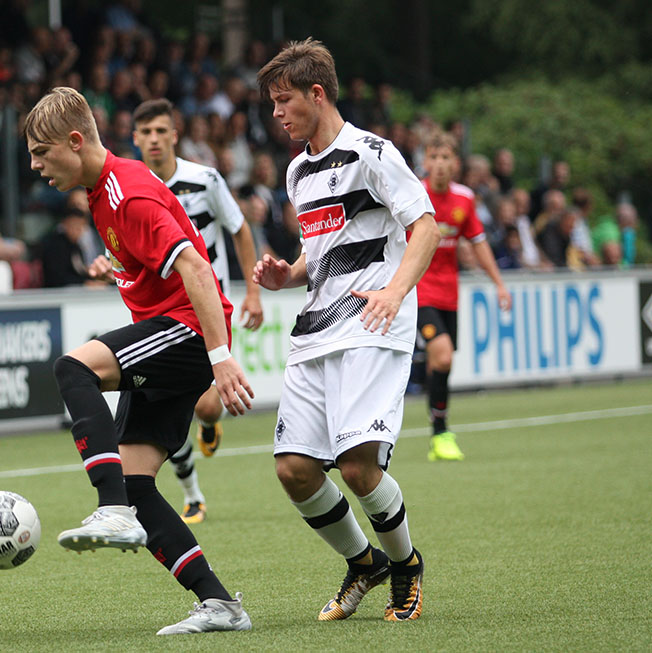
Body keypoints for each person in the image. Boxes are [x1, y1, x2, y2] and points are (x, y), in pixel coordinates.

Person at [24, 86, 253, 636]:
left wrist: (220, 358)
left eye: (41, 152)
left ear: (75, 141)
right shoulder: (101, 192)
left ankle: (112, 510)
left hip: (189, 331)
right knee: (138, 481)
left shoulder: (128, 194)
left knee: (72, 368)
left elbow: (197, 271)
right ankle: (221, 606)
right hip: (176, 332)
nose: (35, 166)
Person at [253, 38, 441, 623]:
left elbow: (426, 227)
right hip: (315, 331)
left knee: (358, 466)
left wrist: (394, 291)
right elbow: (324, 249)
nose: (277, 113)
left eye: (284, 101)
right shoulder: (297, 171)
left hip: (370, 324)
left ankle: (405, 564)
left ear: (317, 93)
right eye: (272, 104)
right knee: (294, 469)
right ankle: (364, 562)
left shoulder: (373, 153)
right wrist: (289, 274)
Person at [132, 97, 264, 525]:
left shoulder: (204, 179)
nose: (154, 139)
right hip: (158, 313)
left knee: (206, 408)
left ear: (174, 135)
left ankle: (210, 425)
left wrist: (253, 292)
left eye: (160, 131)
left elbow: (240, 229)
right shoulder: (129, 187)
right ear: (135, 139)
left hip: (208, 310)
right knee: (167, 406)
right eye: (145, 132)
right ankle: (192, 495)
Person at [416, 131, 512, 461]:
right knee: (442, 356)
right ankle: (442, 434)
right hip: (417, 290)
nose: (439, 165)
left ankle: (435, 430)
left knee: (439, 361)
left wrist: (498, 283)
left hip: (449, 294)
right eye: (434, 158)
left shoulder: (465, 199)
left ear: (455, 164)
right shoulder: (413, 193)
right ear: (425, 161)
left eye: (446, 159)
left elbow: (478, 242)